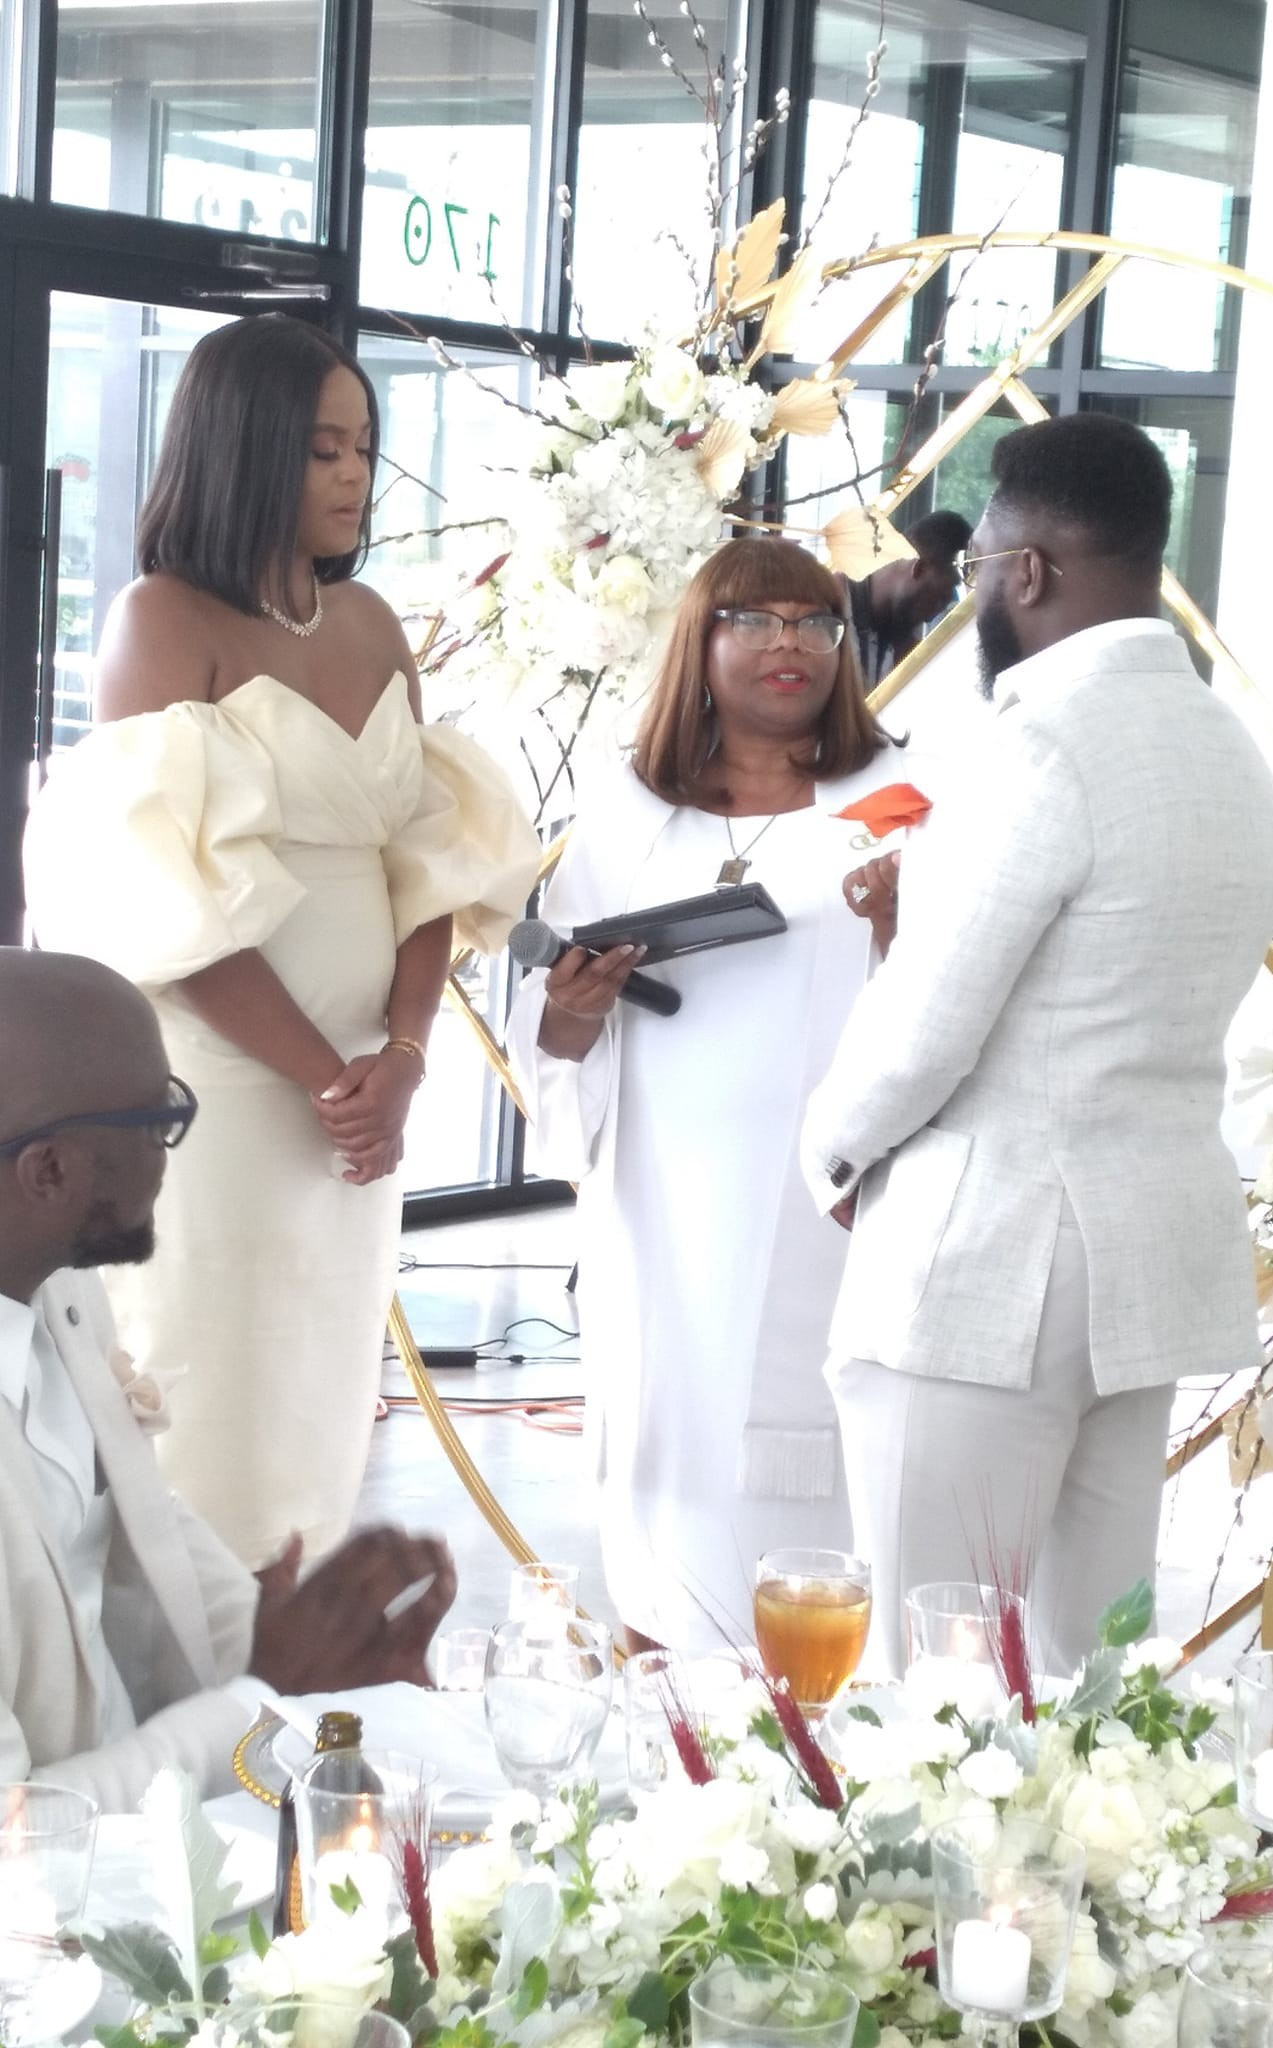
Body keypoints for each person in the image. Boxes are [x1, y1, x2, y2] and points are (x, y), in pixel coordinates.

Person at [24, 314, 540, 1570]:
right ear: (246, 447)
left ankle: (295, 1653)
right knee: (209, 1390)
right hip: (227, 1091)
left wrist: (402, 1057)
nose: (354, 474)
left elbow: (426, 862)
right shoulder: (161, 619)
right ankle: (192, 1659)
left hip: (364, 1092)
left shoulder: (370, 621)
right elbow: (165, 899)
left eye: (364, 445)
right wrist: (328, 1077)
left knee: (318, 1386)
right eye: (323, 449)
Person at [801, 414, 1273, 1677]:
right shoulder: (1228, 748)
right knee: (1086, 1672)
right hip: (1143, 1259)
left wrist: (834, 1153)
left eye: (977, 570)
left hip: (992, 1261)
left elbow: (929, 1022)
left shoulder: (1039, 743)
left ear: (1027, 569)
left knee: (930, 1676)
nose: (973, 598)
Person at [505, 537, 910, 1654]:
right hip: (662, 1197)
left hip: (824, 1195)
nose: (792, 644)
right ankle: (664, 1680)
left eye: (816, 623)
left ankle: (813, 1689)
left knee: (806, 1472)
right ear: (701, 641)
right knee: (672, 1458)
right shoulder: (631, 810)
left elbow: (953, 991)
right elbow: (554, 1018)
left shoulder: (898, 800)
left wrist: (896, 927)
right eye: (758, 621)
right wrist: (574, 1005)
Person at [0, 948, 457, 1809]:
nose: (170, 1150)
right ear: (49, 1170)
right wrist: (268, 1695)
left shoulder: (54, 1285)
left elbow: (129, 1519)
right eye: (159, 1118)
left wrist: (293, 1639)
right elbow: (17, 1830)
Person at [841, 509, 972, 687]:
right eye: (938, 600)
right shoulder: (825, 607)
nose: (929, 618)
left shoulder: (902, 644)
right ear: (920, 569)